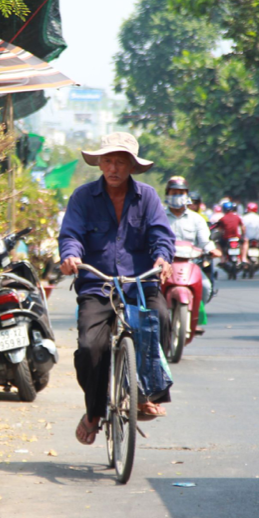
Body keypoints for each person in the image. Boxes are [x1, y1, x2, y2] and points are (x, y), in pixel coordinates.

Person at [58, 132, 175, 446]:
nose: (113, 168)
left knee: (161, 317)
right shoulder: (82, 197)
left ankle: (147, 393)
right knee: (89, 349)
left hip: (140, 282)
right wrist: (71, 255)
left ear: (131, 166)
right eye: (108, 160)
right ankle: (94, 412)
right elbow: (70, 234)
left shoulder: (147, 197)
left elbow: (161, 235)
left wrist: (163, 258)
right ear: (99, 163)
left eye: (120, 162)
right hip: (98, 285)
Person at [165, 176, 221, 307]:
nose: (177, 196)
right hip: (165, 264)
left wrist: (211, 250)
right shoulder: (158, 216)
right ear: (167, 195)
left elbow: (204, 241)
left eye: (181, 193)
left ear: (187, 195)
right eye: (174, 193)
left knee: (206, 287)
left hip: (190, 264)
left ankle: (195, 319)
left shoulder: (197, 219)